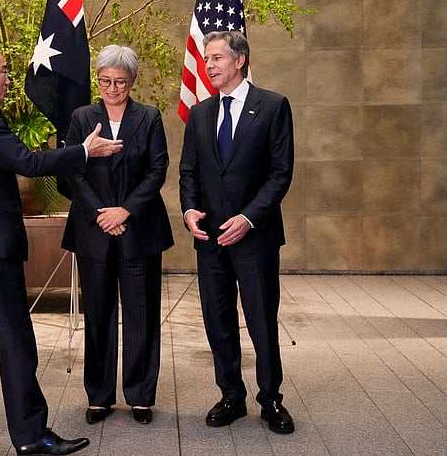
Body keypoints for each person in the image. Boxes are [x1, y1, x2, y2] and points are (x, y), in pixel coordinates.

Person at [0, 40, 122, 455]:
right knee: (17, 336)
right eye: (1, 70)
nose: (6, 78)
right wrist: (83, 151)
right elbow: (28, 162)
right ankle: (31, 435)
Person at [178, 31, 295, 434]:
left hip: (255, 237)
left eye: (215, 58)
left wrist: (247, 219)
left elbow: (280, 174)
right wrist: (190, 209)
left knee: (261, 318)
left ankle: (270, 399)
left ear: (239, 60)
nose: (208, 65)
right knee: (217, 319)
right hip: (209, 239)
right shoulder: (200, 113)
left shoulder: (273, 107)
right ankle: (231, 394)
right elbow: (188, 172)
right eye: (206, 59)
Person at [61, 45, 173, 426]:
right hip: (94, 230)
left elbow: (157, 169)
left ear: (132, 81)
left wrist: (125, 210)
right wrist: (101, 214)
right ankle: (99, 395)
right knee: (99, 314)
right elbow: (72, 172)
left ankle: (141, 395)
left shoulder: (150, 117)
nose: (113, 89)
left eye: (121, 82)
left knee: (141, 313)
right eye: (106, 81)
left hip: (138, 228)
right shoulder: (80, 117)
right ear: (98, 79)